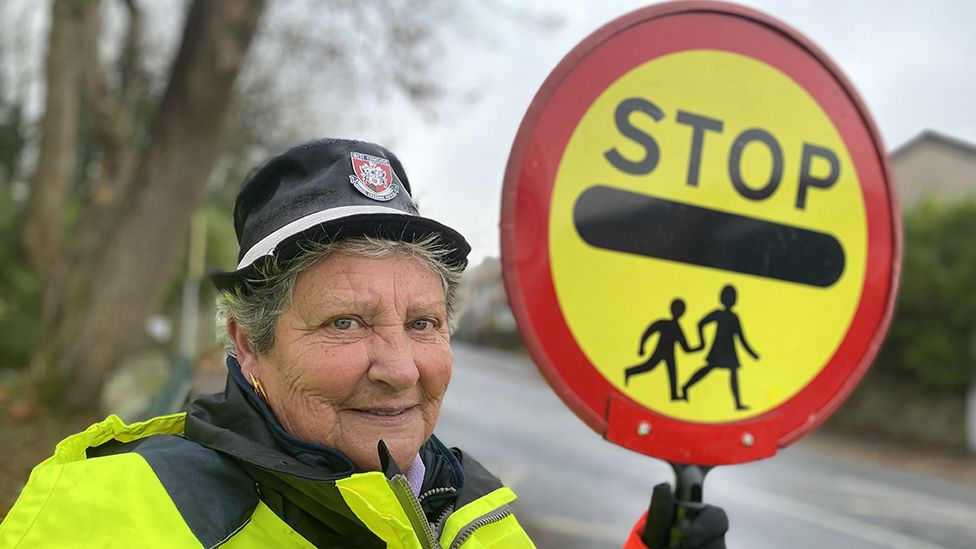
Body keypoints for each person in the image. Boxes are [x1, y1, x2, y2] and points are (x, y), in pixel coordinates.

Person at [0, 138, 728, 548]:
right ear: (248, 346)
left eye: (422, 322)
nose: (400, 368)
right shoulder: (111, 515)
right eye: (345, 322)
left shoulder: (479, 518)